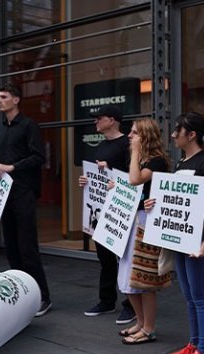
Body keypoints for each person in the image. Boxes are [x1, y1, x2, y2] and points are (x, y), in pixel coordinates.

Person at [159, 112, 204, 354]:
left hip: (200, 242)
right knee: (189, 298)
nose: (174, 134)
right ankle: (194, 344)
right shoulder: (181, 163)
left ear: (191, 135)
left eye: (178, 130)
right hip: (184, 240)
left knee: (201, 299)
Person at [0, 83, 52, 316]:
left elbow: (39, 156)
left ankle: (43, 297)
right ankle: (21, 294)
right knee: (12, 247)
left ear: (16, 100)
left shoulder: (29, 125)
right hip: (4, 193)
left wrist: (13, 167)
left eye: (4, 96)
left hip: (23, 191)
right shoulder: (1, 128)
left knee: (28, 247)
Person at [78, 104, 135, 325]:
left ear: (112, 120)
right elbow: (98, 175)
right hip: (102, 206)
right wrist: (87, 180)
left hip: (121, 207)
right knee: (104, 255)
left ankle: (131, 304)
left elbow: (133, 175)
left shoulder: (127, 145)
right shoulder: (102, 145)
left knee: (124, 257)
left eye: (99, 118)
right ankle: (107, 300)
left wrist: (110, 171)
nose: (96, 121)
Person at [117, 118, 171, 345]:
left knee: (144, 278)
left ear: (145, 136)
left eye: (134, 133)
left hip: (147, 223)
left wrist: (135, 153)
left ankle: (148, 328)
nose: (129, 136)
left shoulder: (157, 161)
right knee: (127, 275)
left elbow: (135, 179)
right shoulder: (141, 159)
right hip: (133, 220)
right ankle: (140, 322)